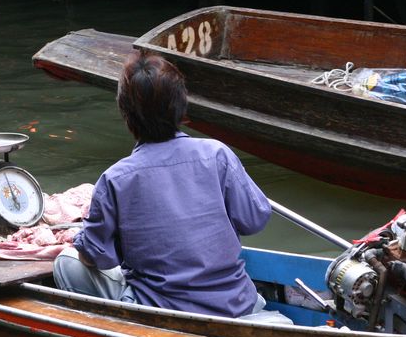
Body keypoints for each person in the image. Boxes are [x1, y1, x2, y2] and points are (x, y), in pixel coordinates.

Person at [54, 51, 290, 322]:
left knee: (66, 263)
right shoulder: (217, 154)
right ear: (181, 105)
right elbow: (255, 220)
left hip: (162, 310)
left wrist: (86, 238)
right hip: (234, 302)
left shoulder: (116, 178)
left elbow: (95, 257)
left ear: (126, 114)